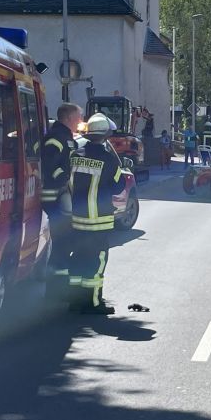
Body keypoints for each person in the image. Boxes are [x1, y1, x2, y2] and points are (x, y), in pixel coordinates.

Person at [67, 113, 128, 315]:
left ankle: (75, 302)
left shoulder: (75, 156)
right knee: (97, 261)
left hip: (77, 220)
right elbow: (119, 186)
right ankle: (93, 303)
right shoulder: (109, 159)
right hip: (99, 221)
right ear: (105, 136)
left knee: (78, 260)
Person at [41, 103, 82, 298]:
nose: (80, 121)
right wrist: (63, 179)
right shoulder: (56, 138)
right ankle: (54, 291)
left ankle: (57, 289)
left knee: (64, 244)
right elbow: (50, 165)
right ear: (68, 118)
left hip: (61, 200)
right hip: (54, 200)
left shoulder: (65, 137)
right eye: (78, 117)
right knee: (61, 245)